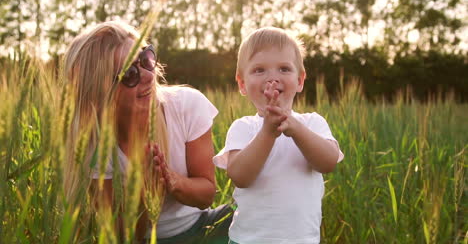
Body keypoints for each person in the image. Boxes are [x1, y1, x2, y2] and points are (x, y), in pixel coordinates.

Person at [63, 20, 232, 243]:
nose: (149, 76)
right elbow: (124, 235)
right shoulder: (94, 141)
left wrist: (173, 181)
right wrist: (144, 189)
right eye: (129, 74)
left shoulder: (186, 105)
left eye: (146, 60)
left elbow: (206, 195)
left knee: (254, 210)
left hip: (202, 226)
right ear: (100, 91)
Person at [213, 27, 344, 244]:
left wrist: (296, 129)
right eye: (259, 70)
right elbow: (240, 177)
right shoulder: (243, 128)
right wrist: (267, 132)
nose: (272, 78)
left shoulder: (312, 123)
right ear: (242, 84)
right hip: (248, 240)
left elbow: (328, 162)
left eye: (284, 69)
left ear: (300, 80)